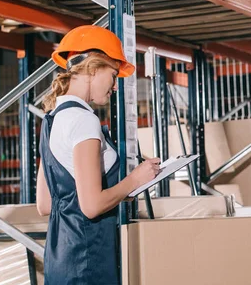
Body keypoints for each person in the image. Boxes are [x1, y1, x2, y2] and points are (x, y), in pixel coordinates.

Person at [36, 25, 161, 285]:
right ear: (93, 70)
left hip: (60, 259)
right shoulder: (83, 121)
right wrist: (136, 180)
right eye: (113, 75)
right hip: (88, 259)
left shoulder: (51, 120)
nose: (115, 86)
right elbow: (91, 206)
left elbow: (46, 205)